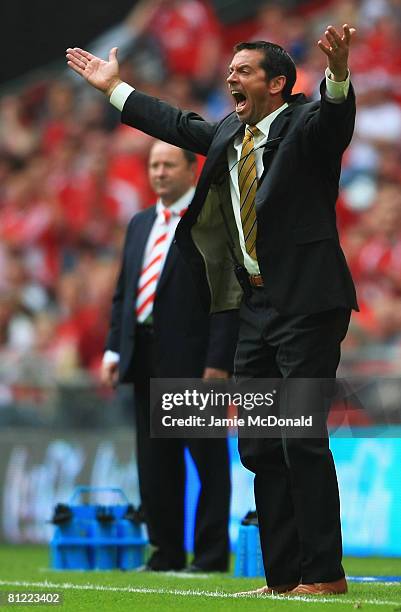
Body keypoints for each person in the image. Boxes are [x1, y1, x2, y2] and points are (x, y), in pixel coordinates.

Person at [67, 23, 358, 595]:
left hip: (307, 306)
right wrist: (114, 90)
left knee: (299, 437)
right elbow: (177, 125)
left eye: (244, 70)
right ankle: (282, 579)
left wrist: (341, 74)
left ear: (277, 83)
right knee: (256, 444)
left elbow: (336, 118)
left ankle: (325, 575)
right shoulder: (229, 131)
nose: (231, 77)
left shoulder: (306, 126)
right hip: (255, 307)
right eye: (229, 70)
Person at [100, 140, 238, 572]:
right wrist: (112, 348)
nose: (158, 172)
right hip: (143, 356)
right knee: (155, 465)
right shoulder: (140, 223)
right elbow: (125, 294)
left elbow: (226, 298)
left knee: (207, 462)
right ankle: (165, 552)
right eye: (153, 165)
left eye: (167, 165)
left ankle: (211, 555)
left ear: (190, 170)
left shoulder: (210, 221)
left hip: (195, 363)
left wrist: (218, 362)